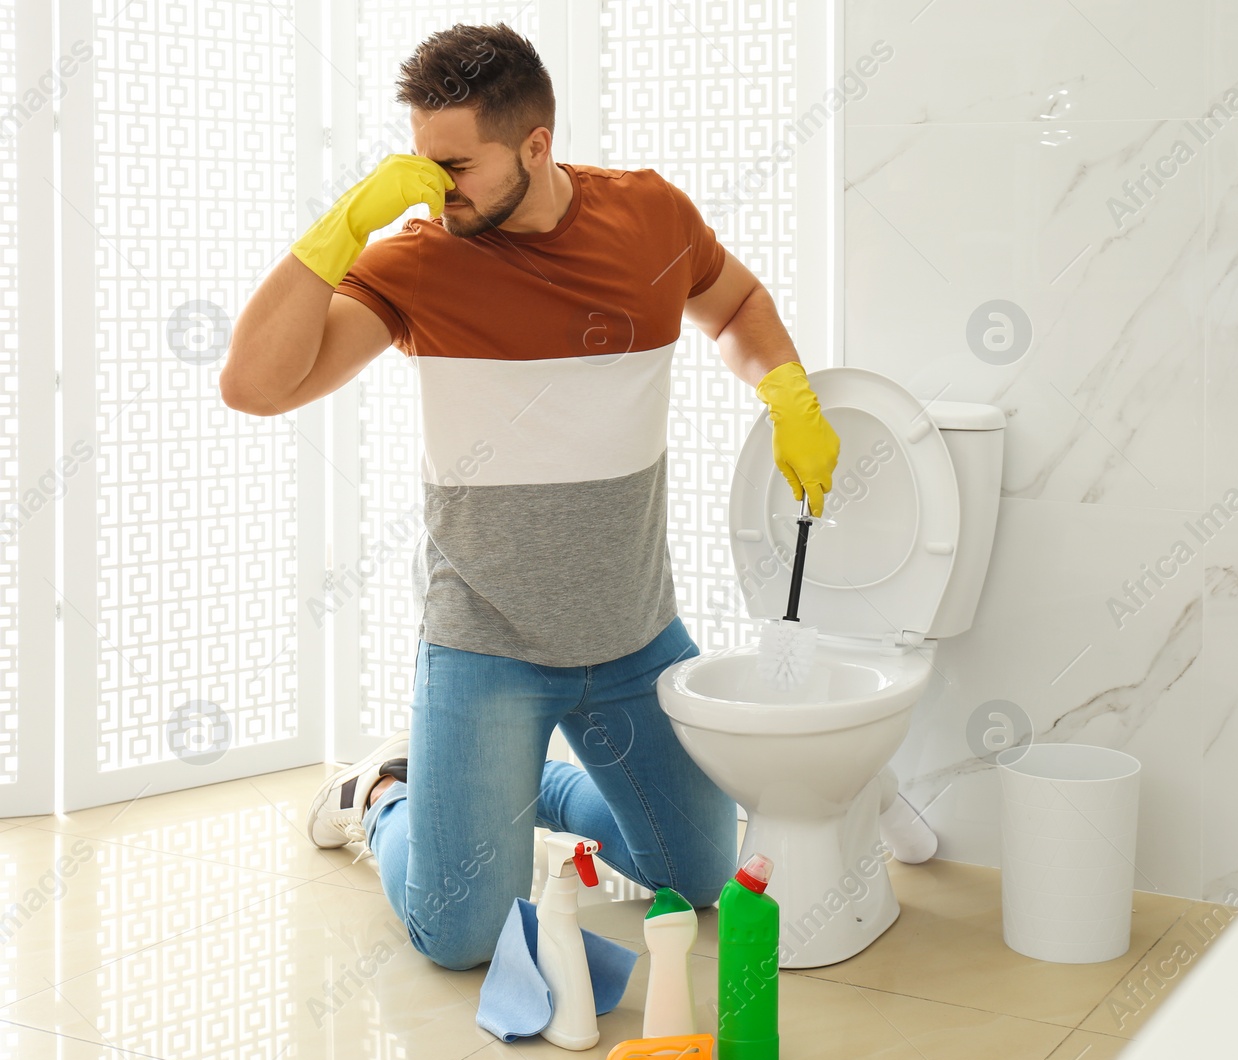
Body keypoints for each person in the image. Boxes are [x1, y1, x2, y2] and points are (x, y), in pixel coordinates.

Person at [219, 21, 840, 970]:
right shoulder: (421, 259)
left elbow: (738, 305)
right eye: (418, 162)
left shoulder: (653, 219)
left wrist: (787, 389)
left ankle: (529, 790)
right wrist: (347, 221)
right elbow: (256, 386)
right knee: (460, 937)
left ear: (536, 145)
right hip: (486, 646)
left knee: (701, 873)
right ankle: (386, 795)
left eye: (455, 163)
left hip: (635, 635)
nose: (431, 187)